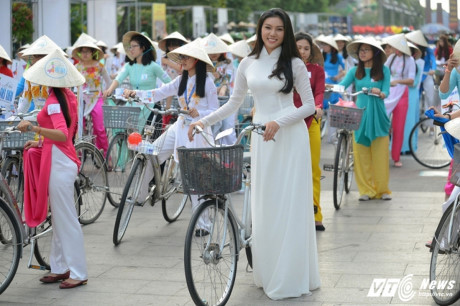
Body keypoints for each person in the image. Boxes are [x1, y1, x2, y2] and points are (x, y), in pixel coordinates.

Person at [188, 8, 320, 300]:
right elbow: (234, 103)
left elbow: (308, 106)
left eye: (279, 29)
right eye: (267, 27)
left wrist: (279, 122)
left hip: (288, 137)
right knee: (265, 205)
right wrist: (202, 121)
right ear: (260, 29)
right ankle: (268, 269)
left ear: (286, 33)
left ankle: (290, 274)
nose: (272, 33)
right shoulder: (247, 63)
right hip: (262, 139)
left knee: (288, 206)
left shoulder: (294, 63)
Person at [124, 40, 218, 235]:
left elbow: (216, 110)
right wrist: (137, 94)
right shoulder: (180, 80)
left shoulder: (208, 82)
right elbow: (159, 92)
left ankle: (203, 225)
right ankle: (139, 195)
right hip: (179, 127)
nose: (181, 60)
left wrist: (199, 115)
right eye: (181, 57)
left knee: (195, 177)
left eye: (185, 57)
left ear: (197, 60)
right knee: (152, 153)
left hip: (198, 132)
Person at [17, 48, 88, 289]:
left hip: (59, 162)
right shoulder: (65, 95)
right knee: (59, 217)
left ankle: (78, 271)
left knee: (66, 218)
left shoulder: (55, 100)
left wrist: (33, 129)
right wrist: (38, 142)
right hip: (60, 159)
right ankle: (59, 267)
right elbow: (64, 135)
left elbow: (61, 133)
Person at [339, 37, 392, 201]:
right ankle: (366, 190)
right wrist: (331, 87)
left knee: (380, 154)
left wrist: (380, 93)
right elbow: (342, 85)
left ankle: (382, 190)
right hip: (360, 115)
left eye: (365, 50)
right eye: (360, 50)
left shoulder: (384, 70)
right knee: (361, 154)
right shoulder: (354, 71)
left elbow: (386, 91)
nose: (362, 53)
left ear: (375, 53)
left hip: (378, 115)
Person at [294, 32, 326, 230]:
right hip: (289, 122)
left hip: (311, 121)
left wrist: (319, 106)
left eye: (307, 48)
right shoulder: (284, 69)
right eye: (299, 47)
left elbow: (319, 92)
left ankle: (316, 213)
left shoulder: (317, 70)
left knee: (313, 169)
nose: (303, 52)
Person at [383, 34, 415, 168]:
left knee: (398, 127)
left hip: (402, 93)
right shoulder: (390, 58)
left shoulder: (410, 60)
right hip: (388, 92)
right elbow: (383, 72)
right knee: (383, 124)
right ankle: (382, 154)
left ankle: (396, 157)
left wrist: (397, 81)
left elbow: (411, 80)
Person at [73, 40, 111, 154]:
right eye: (83, 51)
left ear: (92, 53)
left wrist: (106, 92)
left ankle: (105, 156)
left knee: (100, 129)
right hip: (80, 99)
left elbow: (109, 82)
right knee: (78, 128)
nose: (85, 54)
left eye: (88, 51)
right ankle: (78, 155)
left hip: (96, 98)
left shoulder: (99, 66)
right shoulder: (76, 67)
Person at [315, 35, 345, 143]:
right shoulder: (320, 56)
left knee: (333, 111)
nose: (324, 46)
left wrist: (338, 76)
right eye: (323, 45)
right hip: (322, 83)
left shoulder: (338, 57)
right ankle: (318, 132)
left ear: (331, 46)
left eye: (326, 45)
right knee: (320, 108)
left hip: (333, 84)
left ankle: (332, 136)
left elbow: (345, 70)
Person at [401, 42, 424, 154]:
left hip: (411, 95)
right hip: (402, 94)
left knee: (409, 121)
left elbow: (414, 83)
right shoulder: (400, 64)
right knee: (401, 122)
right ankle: (401, 147)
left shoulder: (415, 66)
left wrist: (400, 81)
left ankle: (409, 147)